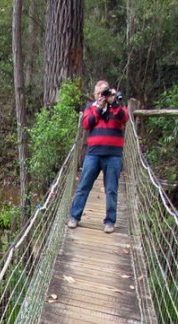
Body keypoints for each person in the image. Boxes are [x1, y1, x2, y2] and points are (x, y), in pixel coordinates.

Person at [67, 80, 129, 234]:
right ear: (95, 94)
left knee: (111, 189)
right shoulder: (91, 107)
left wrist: (114, 103)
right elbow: (86, 124)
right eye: (100, 93)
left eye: (105, 92)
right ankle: (74, 217)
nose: (103, 95)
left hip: (113, 155)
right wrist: (99, 108)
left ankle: (110, 221)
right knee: (83, 186)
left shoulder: (117, 106)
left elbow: (125, 119)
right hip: (93, 154)